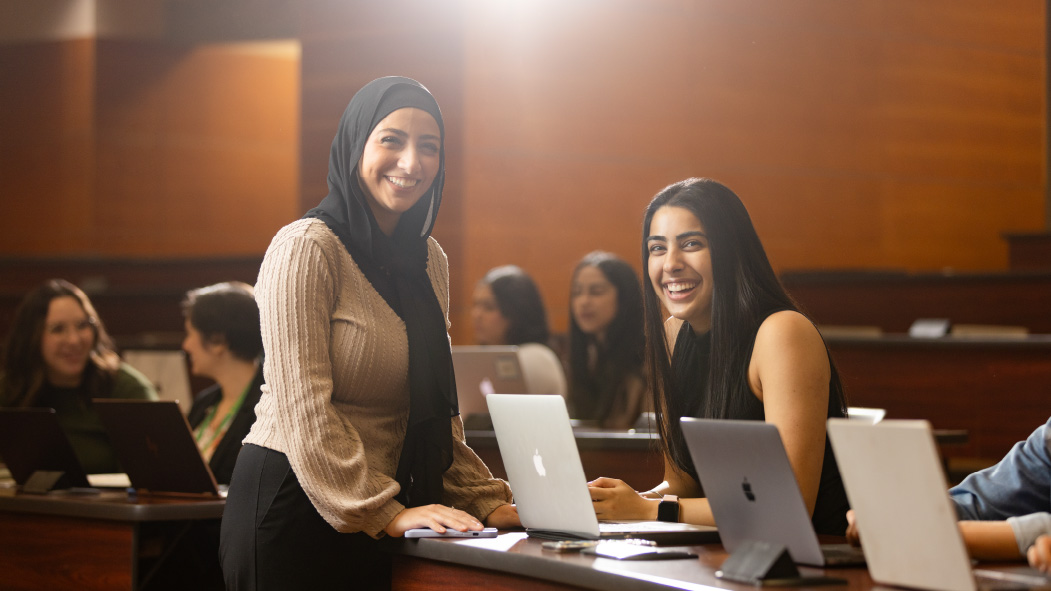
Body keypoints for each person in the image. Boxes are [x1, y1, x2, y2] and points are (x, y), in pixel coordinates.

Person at [219, 76, 518, 590]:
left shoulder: (429, 259)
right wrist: (382, 511)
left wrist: (489, 502)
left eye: (429, 147)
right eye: (391, 140)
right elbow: (304, 409)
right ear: (357, 143)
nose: (411, 162)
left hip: (382, 515)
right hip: (296, 509)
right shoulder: (306, 248)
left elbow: (433, 410)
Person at [587, 178, 850, 535]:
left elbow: (787, 504)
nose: (671, 264)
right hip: (727, 551)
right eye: (657, 248)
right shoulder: (673, 333)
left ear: (731, 250)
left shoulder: (782, 333)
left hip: (815, 561)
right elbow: (681, 487)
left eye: (691, 244)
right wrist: (623, 502)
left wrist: (650, 510)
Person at [0, 279, 157, 473]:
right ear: (32, 337)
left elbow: (152, 478)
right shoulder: (10, 390)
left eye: (83, 325)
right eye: (58, 329)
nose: (74, 340)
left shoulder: (127, 389)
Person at [182, 281, 264, 486]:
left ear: (218, 341)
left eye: (190, 333)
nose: (186, 345)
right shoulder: (205, 401)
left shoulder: (267, 406)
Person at [567, 251, 647, 429]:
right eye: (577, 293)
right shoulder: (587, 356)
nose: (583, 301)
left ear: (624, 298)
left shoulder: (647, 360)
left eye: (596, 292)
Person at [471, 265, 567, 395]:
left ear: (516, 312)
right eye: (476, 305)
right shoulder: (493, 356)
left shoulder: (536, 357)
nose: (477, 315)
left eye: (489, 307)